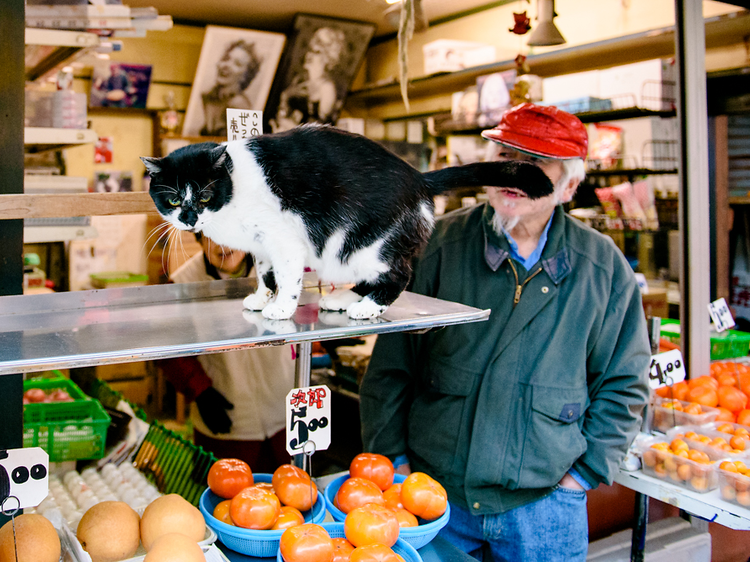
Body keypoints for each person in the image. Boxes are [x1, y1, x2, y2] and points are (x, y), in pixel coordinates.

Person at [359, 103, 651, 562]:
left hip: (546, 505)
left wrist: (584, 475)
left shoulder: (603, 267)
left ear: (570, 184)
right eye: (504, 156)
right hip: (435, 496)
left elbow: (625, 381)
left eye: (535, 163)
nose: (514, 173)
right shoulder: (437, 246)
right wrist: (393, 466)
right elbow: (390, 369)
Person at [159, 233, 295, 473]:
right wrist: (200, 391)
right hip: (226, 423)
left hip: (283, 416)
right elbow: (168, 347)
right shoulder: (182, 283)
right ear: (199, 239)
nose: (222, 245)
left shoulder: (281, 267)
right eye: (211, 236)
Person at [270, 27, 346, 133]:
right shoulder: (300, 79)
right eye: (310, 50)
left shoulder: (327, 88)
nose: (309, 54)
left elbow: (322, 130)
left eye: (317, 52)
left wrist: (291, 126)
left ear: (327, 58)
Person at [201, 40, 263, 136]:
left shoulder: (241, 106)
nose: (226, 65)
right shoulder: (207, 97)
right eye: (225, 59)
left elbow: (247, 148)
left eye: (237, 64)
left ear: (245, 76)